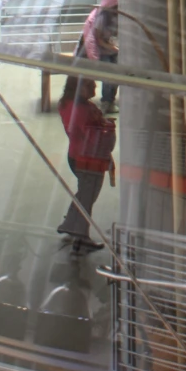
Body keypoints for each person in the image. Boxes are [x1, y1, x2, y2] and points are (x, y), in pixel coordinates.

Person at [56, 74, 114, 248]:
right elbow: (89, 135)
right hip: (89, 158)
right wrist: (107, 128)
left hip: (77, 155)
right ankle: (81, 237)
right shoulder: (81, 110)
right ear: (78, 87)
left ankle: (70, 224)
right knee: (88, 197)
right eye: (90, 84)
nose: (95, 87)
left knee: (84, 193)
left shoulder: (68, 105)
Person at [78, 0, 119, 111]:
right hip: (103, 51)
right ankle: (106, 101)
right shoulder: (101, 17)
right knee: (108, 76)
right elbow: (98, 39)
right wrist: (113, 48)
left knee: (116, 76)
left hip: (114, 50)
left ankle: (111, 100)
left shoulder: (119, 15)